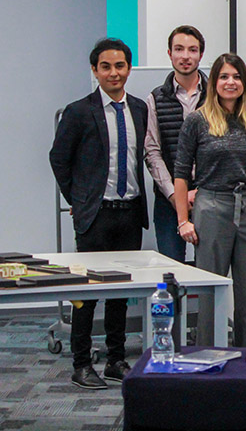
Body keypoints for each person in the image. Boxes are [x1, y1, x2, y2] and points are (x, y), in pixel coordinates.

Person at [49, 38, 149, 389]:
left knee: (121, 292)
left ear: (128, 69)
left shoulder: (139, 109)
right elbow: (58, 158)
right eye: (105, 66)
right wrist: (77, 199)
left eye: (120, 66)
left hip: (129, 212)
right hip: (95, 215)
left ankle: (115, 359)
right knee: (86, 293)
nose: (113, 73)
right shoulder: (79, 111)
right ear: (95, 70)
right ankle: (81, 363)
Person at [173, 53, 246, 347]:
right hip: (212, 206)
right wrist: (183, 220)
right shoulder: (197, 120)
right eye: (224, 77)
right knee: (211, 288)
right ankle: (209, 355)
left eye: (237, 77)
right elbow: (181, 173)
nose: (231, 83)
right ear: (214, 82)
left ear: (245, 83)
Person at [145, 25, 207, 263]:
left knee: (210, 271)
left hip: (210, 198)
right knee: (171, 272)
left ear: (201, 55)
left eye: (192, 50)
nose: (185, 56)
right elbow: (152, 152)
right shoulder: (156, 98)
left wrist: (200, 192)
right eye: (179, 49)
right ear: (169, 53)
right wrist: (175, 195)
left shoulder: (216, 96)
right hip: (168, 202)